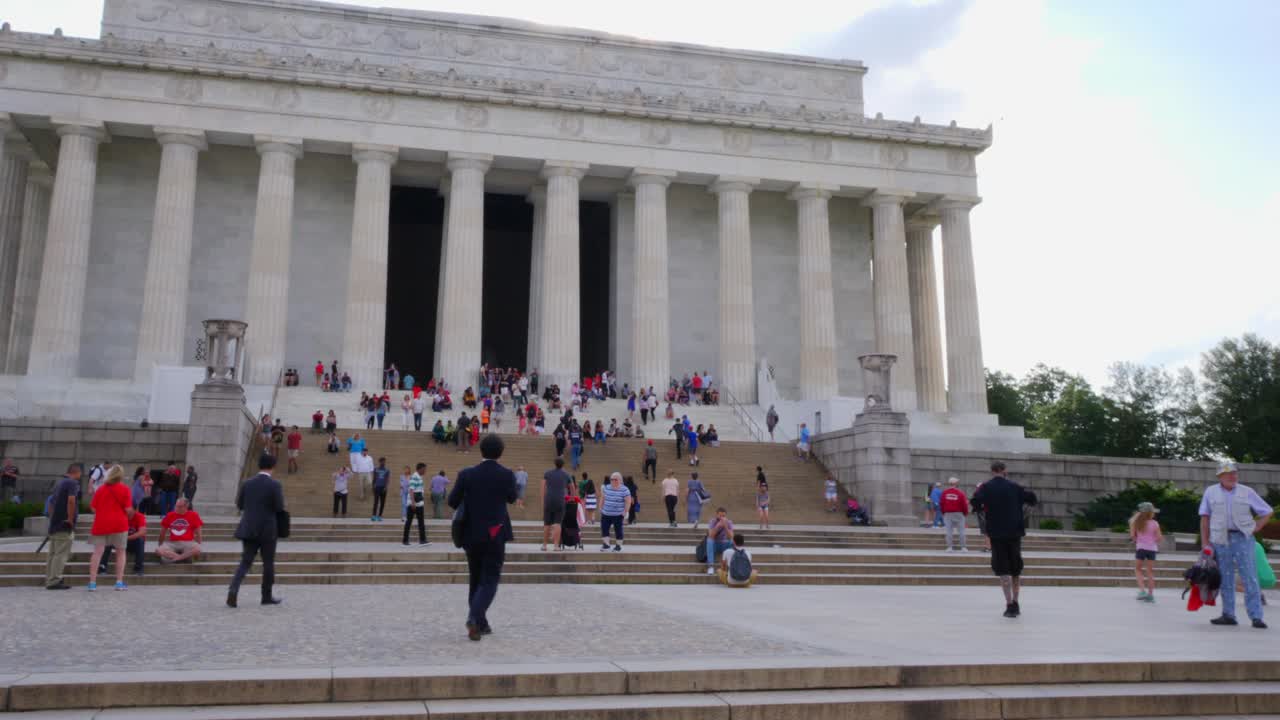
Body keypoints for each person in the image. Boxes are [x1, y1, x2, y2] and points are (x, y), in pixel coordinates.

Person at [447, 434, 517, 641]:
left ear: (481, 451)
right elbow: (512, 498)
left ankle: (480, 624)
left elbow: (452, 501)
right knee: (490, 580)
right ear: (501, 452)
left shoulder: (467, 474)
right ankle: (474, 618)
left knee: (476, 579)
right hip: (495, 533)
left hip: (471, 534)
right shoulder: (506, 474)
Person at [1199, 461, 1273, 629]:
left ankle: (1256, 616)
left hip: (1243, 538)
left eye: (1234, 473)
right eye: (1228, 474)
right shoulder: (1210, 492)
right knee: (1225, 577)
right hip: (1220, 539)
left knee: (1250, 577)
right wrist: (1205, 542)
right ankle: (1228, 614)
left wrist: (1257, 527)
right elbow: (1205, 518)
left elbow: (1267, 511)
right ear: (1220, 476)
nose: (1232, 476)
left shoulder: (1247, 492)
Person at [969, 461, 1038, 618]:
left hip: (997, 533)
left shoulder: (986, 487)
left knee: (1003, 570)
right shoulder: (1014, 486)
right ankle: (1016, 602)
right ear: (1004, 470)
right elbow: (1032, 498)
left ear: (992, 471)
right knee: (1015, 569)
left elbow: (975, 502)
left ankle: (1008, 604)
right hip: (1014, 532)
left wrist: (983, 513)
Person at [228, 453, 286, 607]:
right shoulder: (275, 485)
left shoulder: (247, 483)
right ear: (273, 466)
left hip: (248, 527)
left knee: (245, 561)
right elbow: (279, 507)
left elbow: (240, 505)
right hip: (268, 529)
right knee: (268, 563)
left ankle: (233, 589)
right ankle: (266, 596)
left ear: (259, 465)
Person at [87, 465, 135, 591]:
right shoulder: (125, 489)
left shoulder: (101, 489)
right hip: (119, 524)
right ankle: (119, 582)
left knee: (97, 552)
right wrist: (130, 514)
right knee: (120, 553)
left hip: (101, 523)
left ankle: (92, 583)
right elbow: (128, 509)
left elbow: (93, 508)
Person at [44, 463, 81, 590]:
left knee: (53, 553)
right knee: (61, 553)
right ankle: (55, 580)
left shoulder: (59, 483)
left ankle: (50, 578)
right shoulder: (72, 483)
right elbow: (71, 500)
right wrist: (70, 519)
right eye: (80, 474)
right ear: (76, 472)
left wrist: (52, 518)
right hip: (64, 524)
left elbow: (50, 503)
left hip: (55, 523)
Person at [99, 502, 146, 577]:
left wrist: (126, 538)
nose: (127, 511)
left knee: (140, 540)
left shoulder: (140, 517)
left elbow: (142, 532)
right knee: (108, 541)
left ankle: (139, 568)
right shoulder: (120, 516)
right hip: (120, 541)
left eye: (129, 509)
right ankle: (102, 567)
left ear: (135, 510)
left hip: (132, 543)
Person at [1130, 501, 1163, 603]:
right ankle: (1150, 595)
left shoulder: (1136, 523)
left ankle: (1142, 591)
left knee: (1138, 569)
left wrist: (1138, 540)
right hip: (1152, 549)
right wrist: (1152, 541)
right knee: (1150, 572)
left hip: (1141, 548)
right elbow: (1159, 538)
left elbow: (1132, 536)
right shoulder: (1155, 523)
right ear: (1151, 512)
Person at [157, 498, 204, 563]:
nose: (176, 508)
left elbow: (198, 533)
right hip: (172, 543)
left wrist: (198, 544)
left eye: (179, 506)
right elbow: (162, 532)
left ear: (186, 507)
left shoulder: (194, 515)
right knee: (159, 550)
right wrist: (160, 545)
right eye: (176, 506)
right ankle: (182, 557)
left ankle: (177, 557)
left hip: (188, 542)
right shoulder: (170, 515)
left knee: (198, 549)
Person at [541, 458, 571, 551]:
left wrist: (543, 500)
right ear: (563, 464)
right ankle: (556, 546)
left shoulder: (547, 473)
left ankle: (544, 545)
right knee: (558, 523)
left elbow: (543, 487)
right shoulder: (566, 474)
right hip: (560, 500)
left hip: (549, 500)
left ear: (555, 463)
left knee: (547, 524)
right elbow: (573, 487)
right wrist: (572, 497)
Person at [599, 472, 633, 552]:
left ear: (620, 480)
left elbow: (628, 501)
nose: (613, 481)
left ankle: (618, 546)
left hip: (618, 514)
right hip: (606, 513)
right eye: (612, 479)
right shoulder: (606, 488)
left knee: (618, 530)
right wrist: (600, 507)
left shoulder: (625, 489)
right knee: (604, 529)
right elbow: (602, 498)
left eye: (615, 479)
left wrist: (625, 511)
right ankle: (606, 545)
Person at [939, 477, 970, 552]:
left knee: (949, 531)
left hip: (947, 513)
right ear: (956, 484)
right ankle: (963, 547)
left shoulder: (944, 493)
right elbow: (964, 505)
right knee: (961, 531)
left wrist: (943, 512)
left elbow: (941, 504)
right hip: (959, 513)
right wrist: (965, 513)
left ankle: (949, 547)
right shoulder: (960, 493)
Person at [704, 507, 735, 575]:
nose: (722, 517)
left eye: (723, 516)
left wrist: (725, 526)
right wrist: (717, 526)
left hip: (724, 544)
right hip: (715, 544)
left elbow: (731, 537)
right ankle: (711, 567)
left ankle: (730, 566)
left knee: (732, 542)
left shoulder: (729, 522)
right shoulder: (712, 521)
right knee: (709, 541)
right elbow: (710, 536)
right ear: (717, 515)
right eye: (720, 516)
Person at [404, 463, 429, 545]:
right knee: (409, 522)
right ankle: (405, 540)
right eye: (424, 469)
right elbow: (411, 490)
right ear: (420, 469)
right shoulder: (414, 477)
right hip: (413, 504)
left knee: (421, 522)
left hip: (419, 503)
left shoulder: (419, 477)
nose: (425, 471)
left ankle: (422, 540)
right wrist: (413, 502)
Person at [370, 457, 391, 521]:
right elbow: (374, 478)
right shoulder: (376, 469)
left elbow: (387, 479)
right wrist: (373, 486)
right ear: (379, 462)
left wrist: (386, 487)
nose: (383, 463)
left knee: (382, 503)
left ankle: (380, 516)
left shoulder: (387, 470)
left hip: (383, 488)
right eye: (382, 461)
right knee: (376, 502)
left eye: (384, 461)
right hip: (377, 487)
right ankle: (374, 515)